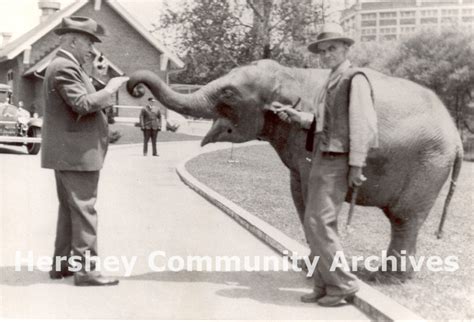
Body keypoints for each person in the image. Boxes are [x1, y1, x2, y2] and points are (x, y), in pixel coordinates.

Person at [271, 23, 378, 306]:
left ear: (345, 49)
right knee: (312, 221)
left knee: (320, 221)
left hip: (338, 159)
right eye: (322, 51)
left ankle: (343, 284)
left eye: (332, 48)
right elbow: (321, 123)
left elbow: (363, 126)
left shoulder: (354, 79)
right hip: (320, 155)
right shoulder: (331, 80)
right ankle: (323, 283)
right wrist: (295, 116)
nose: (327, 54)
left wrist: (356, 166)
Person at [41, 16, 129, 286]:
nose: (93, 50)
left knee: (71, 210)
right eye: (90, 43)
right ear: (73, 40)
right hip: (77, 154)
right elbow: (81, 103)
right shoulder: (65, 67)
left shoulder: (68, 67)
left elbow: (84, 98)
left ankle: (63, 263)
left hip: (69, 153)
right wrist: (112, 88)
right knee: (84, 210)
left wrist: (101, 78)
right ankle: (87, 270)